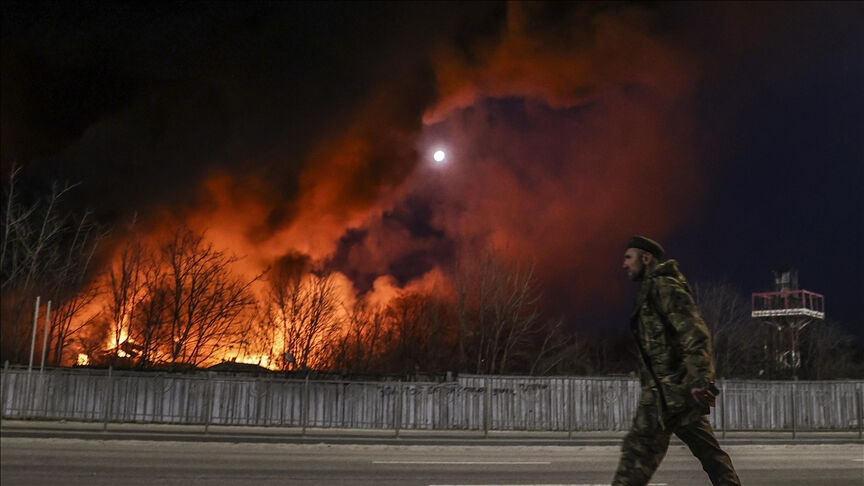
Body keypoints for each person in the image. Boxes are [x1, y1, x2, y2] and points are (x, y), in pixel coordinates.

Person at [613, 235, 741, 486]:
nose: (624, 264)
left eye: (628, 257)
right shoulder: (651, 291)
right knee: (711, 457)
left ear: (646, 258)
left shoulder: (664, 287)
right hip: (672, 394)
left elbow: (696, 334)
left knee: (636, 457)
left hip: (670, 394)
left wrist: (699, 381)